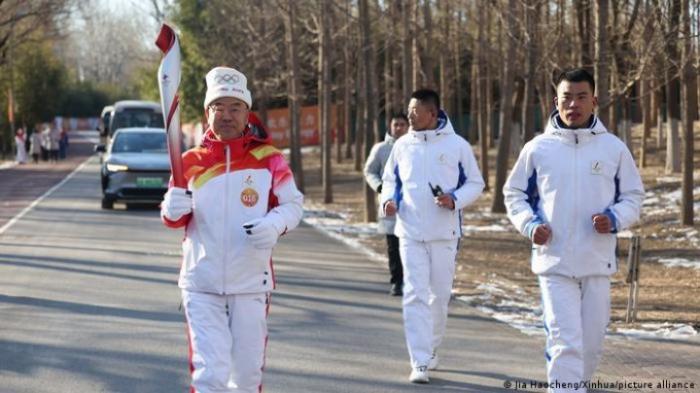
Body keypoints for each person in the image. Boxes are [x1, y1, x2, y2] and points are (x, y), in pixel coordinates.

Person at [160, 66, 304, 393]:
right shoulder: (190, 161)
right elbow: (173, 219)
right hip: (202, 280)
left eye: (235, 107)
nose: (226, 115)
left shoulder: (269, 159)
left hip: (250, 281)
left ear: (247, 112)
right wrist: (171, 208)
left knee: (247, 374)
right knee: (211, 372)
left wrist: (274, 223)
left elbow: (293, 205)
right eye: (218, 107)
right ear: (207, 113)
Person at [503, 68, 644, 392]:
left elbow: (634, 197)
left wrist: (615, 218)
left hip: (597, 261)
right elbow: (514, 194)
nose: (573, 104)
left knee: (591, 345)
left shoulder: (613, 148)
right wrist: (530, 224)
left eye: (581, 97)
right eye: (567, 97)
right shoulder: (538, 148)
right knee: (565, 340)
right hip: (554, 261)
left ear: (594, 101)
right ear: (556, 101)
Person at [380, 89, 484, 384]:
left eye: (416, 111)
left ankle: (432, 346)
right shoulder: (402, 146)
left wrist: (455, 199)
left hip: (444, 233)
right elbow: (391, 181)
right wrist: (388, 201)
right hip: (409, 232)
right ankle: (420, 360)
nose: (410, 115)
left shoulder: (457, 145)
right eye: (409, 110)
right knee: (414, 294)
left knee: (439, 296)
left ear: (433, 114)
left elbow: (476, 183)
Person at [363, 113, 409, 296]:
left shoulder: (416, 146)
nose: (398, 128)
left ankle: (413, 281)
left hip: (413, 204)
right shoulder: (380, 149)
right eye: (395, 124)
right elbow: (369, 171)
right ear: (390, 127)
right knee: (393, 244)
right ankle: (397, 281)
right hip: (389, 203)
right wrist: (380, 187)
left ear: (408, 127)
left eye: (402, 124)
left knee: (412, 244)